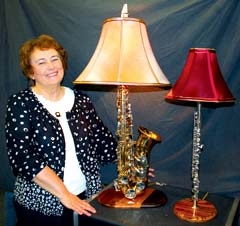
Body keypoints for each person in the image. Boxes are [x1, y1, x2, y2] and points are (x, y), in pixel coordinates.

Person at [5, 34, 118, 226]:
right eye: (41, 62)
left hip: (85, 198)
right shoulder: (20, 103)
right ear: (31, 72)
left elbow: (102, 141)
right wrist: (64, 195)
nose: (51, 66)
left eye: (54, 59)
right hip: (40, 205)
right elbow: (23, 157)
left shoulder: (81, 101)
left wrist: (129, 162)